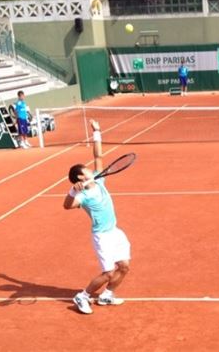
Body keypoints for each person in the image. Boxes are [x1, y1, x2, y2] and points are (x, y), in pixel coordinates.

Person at [63, 120, 131, 315]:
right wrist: (72, 191)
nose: (89, 169)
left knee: (124, 267)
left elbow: (98, 156)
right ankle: (82, 296)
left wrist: (97, 132)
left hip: (115, 232)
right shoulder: (82, 196)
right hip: (102, 236)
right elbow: (67, 206)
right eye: (85, 169)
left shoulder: (99, 180)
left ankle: (107, 295)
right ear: (80, 177)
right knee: (108, 273)